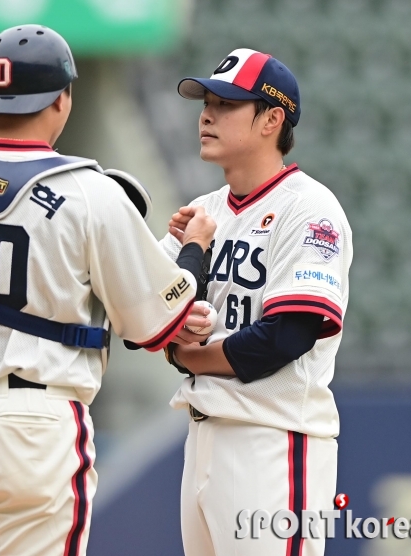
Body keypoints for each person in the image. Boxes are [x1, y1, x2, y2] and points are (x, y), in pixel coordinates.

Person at [0, 25, 215, 556]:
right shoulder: (93, 191)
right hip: (36, 422)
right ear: (60, 100)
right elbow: (160, 324)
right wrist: (193, 248)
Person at [161, 48, 353, 556]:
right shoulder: (201, 213)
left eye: (226, 103)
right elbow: (149, 318)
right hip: (202, 435)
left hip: (272, 439)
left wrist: (188, 356)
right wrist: (193, 253)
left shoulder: (309, 208)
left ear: (272, 118)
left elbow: (283, 337)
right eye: (206, 101)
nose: (206, 114)